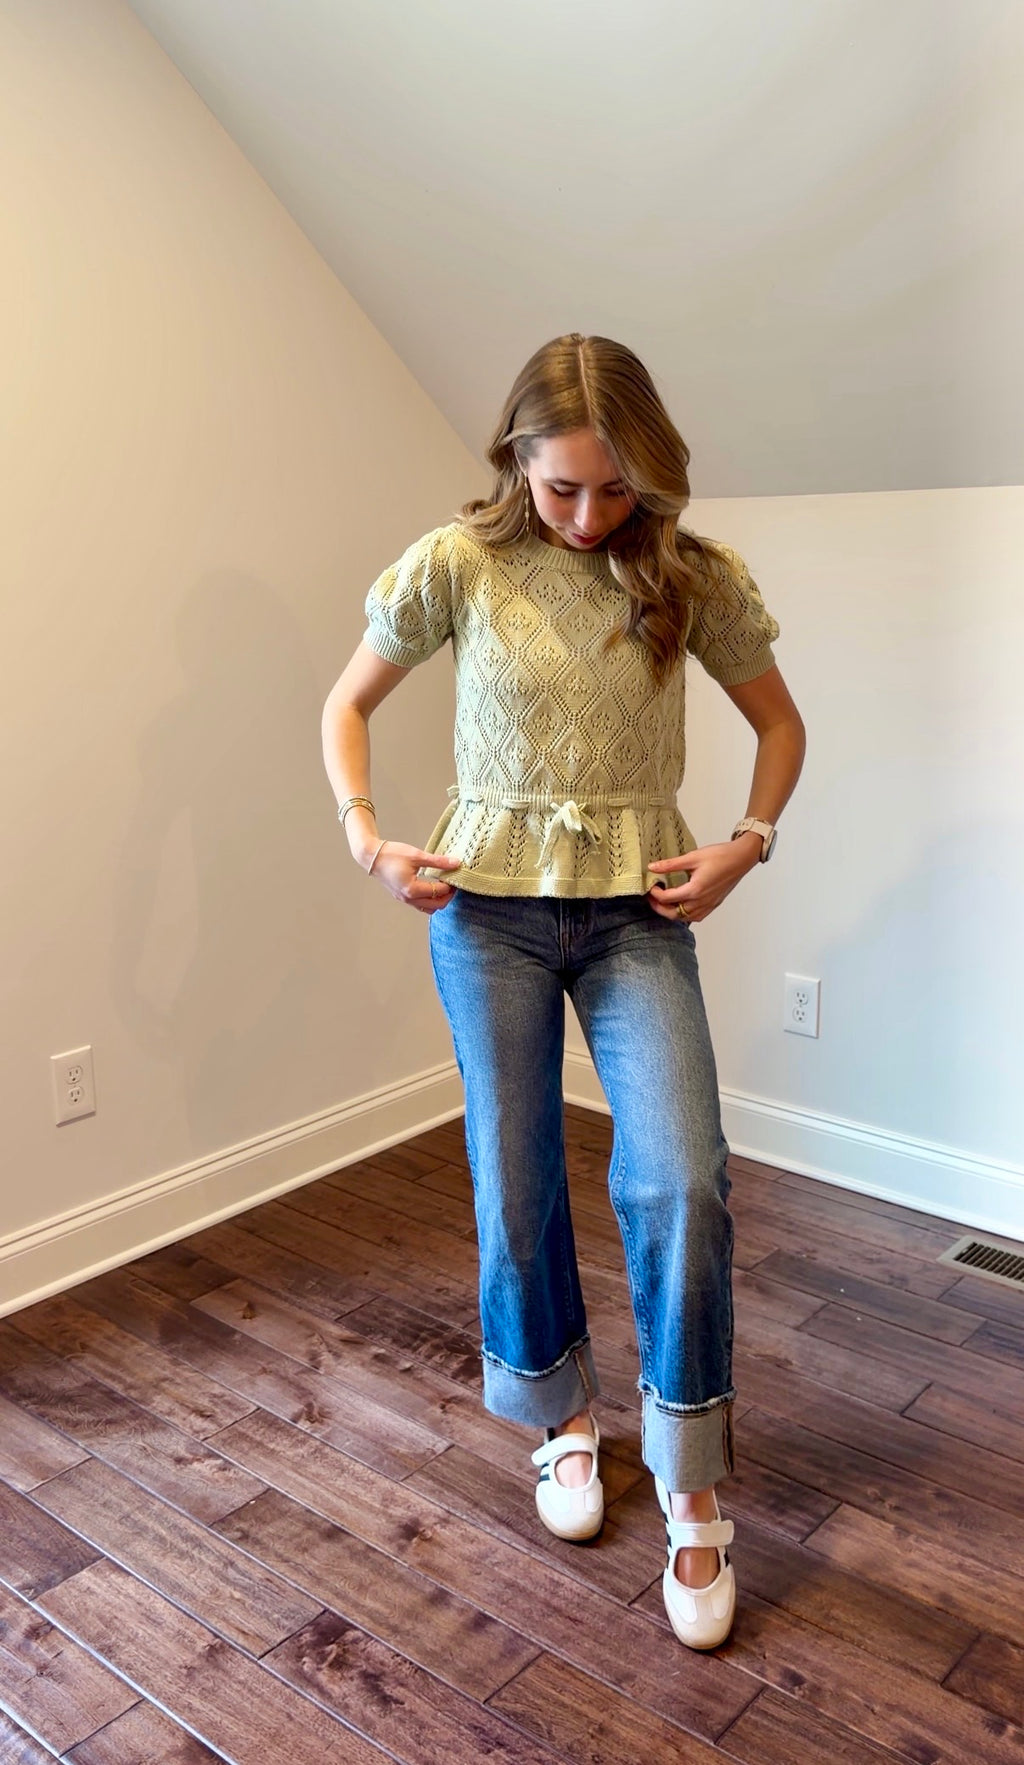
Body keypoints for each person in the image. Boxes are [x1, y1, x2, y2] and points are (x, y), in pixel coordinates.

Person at [322, 333, 806, 1650]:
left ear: (649, 474)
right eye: (563, 490)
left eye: (615, 490)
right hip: (485, 915)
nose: (591, 517)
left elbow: (781, 725)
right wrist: (371, 836)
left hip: (638, 911)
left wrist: (744, 844)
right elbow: (348, 703)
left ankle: (695, 1476)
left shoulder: (690, 575)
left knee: (682, 1176)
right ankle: (561, 1415)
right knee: (515, 1170)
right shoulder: (458, 564)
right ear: (515, 462)